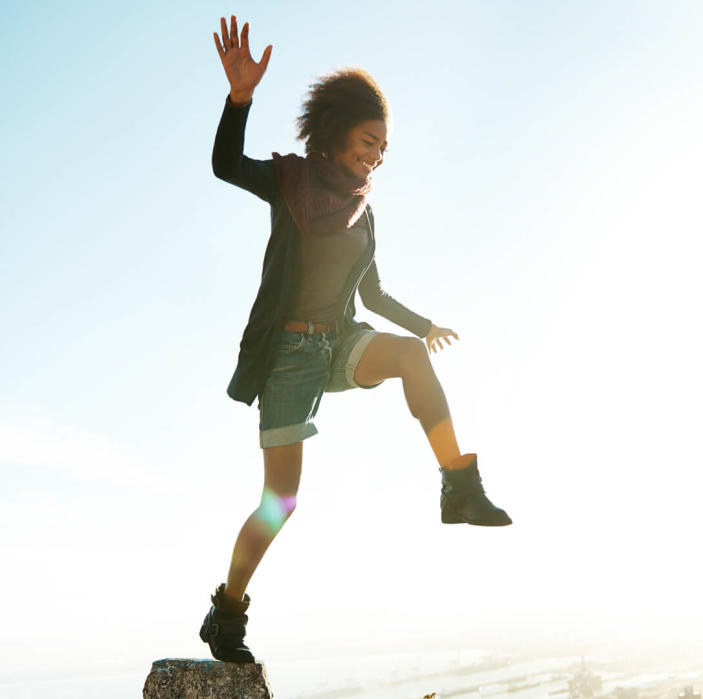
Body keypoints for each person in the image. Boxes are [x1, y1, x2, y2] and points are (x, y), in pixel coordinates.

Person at [198, 15, 512, 664]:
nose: (375, 156)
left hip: (337, 345)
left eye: (383, 149)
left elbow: (371, 296)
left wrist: (423, 326)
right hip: (287, 358)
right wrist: (239, 99)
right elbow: (225, 164)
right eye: (368, 141)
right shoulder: (290, 183)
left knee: (407, 355)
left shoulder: (363, 215)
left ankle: (459, 484)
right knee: (280, 502)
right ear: (338, 133)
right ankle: (227, 610)